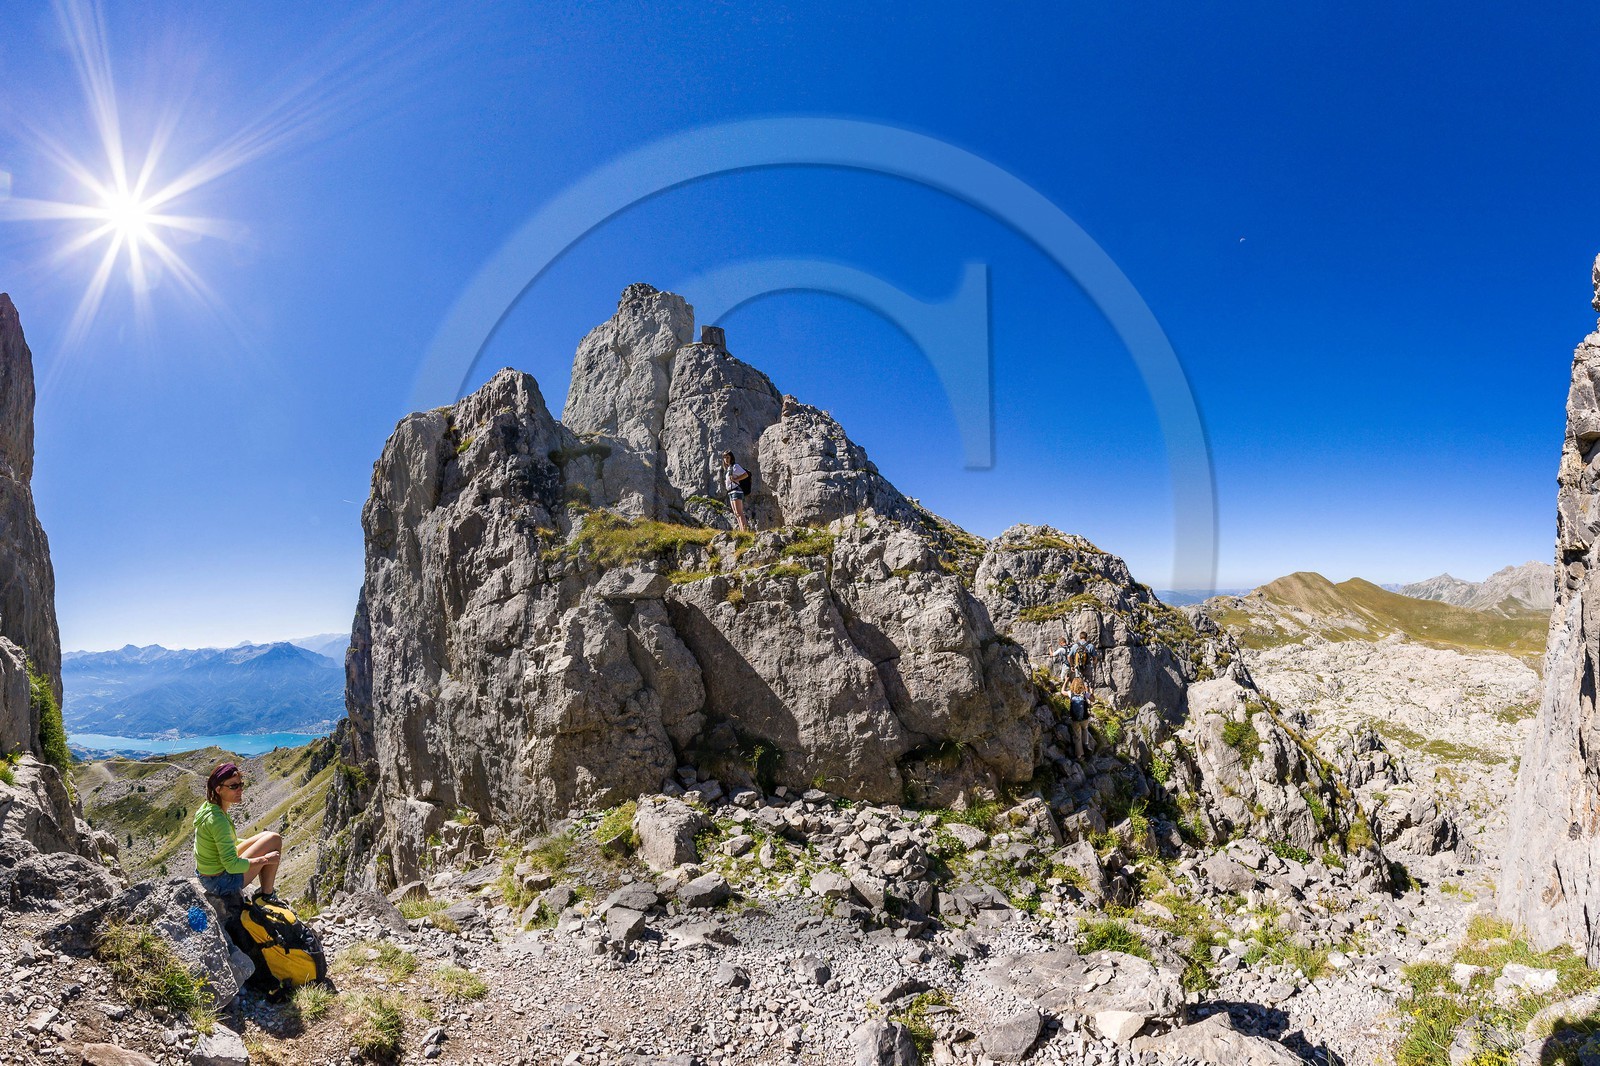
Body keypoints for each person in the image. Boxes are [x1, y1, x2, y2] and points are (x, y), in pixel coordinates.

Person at [194, 761, 282, 904]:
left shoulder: (210, 807)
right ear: (218, 789)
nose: (240, 790)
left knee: (270, 837)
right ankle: (267, 896)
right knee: (274, 840)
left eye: (240, 785)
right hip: (220, 883)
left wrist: (259, 845)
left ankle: (266, 893)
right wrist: (266, 859)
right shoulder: (217, 820)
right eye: (233, 786)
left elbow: (229, 843)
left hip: (208, 876)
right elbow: (231, 865)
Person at [721, 451, 752, 533]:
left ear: (731, 458)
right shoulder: (729, 469)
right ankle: (742, 530)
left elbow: (745, 474)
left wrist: (736, 479)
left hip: (736, 490)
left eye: (727, 457)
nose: (726, 459)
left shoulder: (735, 466)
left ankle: (744, 532)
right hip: (731, 491)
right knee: (736, 513)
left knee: (739, 512)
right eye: (724, 458)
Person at [1065, 675, 1091, 759]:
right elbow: (1093, 699)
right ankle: (1086, 743)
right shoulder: (1084, 694)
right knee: (1085, 728)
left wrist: (1066, 681)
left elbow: (1062, 691)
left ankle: (1079, 756)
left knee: (1077, 737)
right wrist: (1088, 690)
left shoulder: (1071, 694)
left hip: (1075, 720)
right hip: (1084, 718)